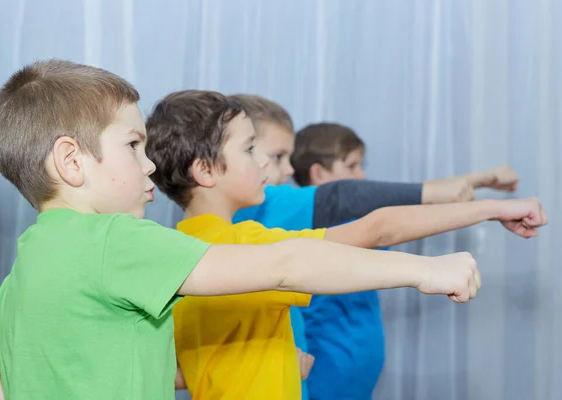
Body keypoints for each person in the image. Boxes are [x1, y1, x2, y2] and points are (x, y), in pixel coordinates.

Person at [0, 61, 489, 400]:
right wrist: (424, 268)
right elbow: (287, 264)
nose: (148, 166)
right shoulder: (114, 241)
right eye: (132, 146)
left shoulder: (28, 267)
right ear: (71, 161)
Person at [144, 89, 545, 400]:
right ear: (206, 169)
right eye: (250, 150)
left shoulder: (172, 253)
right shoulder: (247, 245)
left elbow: (180, 365)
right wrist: (488, 213)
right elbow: (376, 229)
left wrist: (269, 360)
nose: (265, 162)